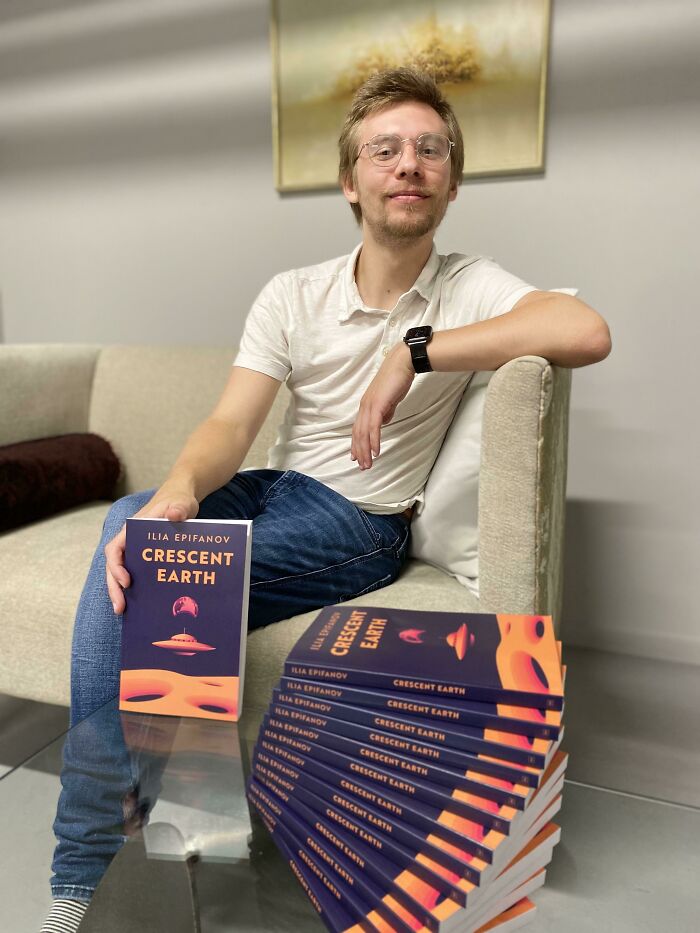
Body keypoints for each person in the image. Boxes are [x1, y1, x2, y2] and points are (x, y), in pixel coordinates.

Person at [42, 67, 611, 932]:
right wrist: (183, 491)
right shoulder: (293, 292)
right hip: (271, 485)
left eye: (430, 149)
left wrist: (414, 352)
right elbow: (231, 423)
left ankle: (92, 869)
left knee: (155, 579)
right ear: (353, 181)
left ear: (451, 181)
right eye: (385, 149)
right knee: (132, 528)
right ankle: (126, 854)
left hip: (357, 519)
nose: (408, 163)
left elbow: (584, 330)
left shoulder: (469, 285)